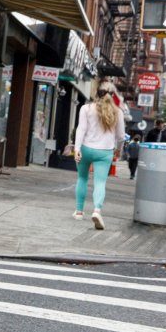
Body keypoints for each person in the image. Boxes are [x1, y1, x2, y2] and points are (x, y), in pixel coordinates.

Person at [73, 83, 126, 229]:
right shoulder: (118, 112)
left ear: (97, 93)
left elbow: (81, 129)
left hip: (85, 148)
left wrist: (77, 148)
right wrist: (119, 150)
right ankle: (96, 211)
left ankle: (79, 212)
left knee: (82, 178)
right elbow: (121, 137)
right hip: (105, 151)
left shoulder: (86, 108)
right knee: (100, 182)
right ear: (113, 95)